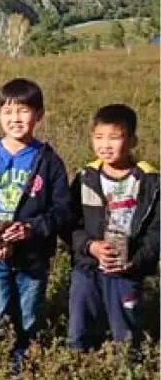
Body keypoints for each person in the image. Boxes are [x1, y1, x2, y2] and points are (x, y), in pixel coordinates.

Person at [0, 78, 71, 377]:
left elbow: (62, 210)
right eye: (8, 112)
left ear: (40, 115)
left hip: (32, 259)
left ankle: (17, 372)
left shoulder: (48, 161)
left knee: (28, 318)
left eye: (23, 111)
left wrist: (32, 229)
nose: (15, 119)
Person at [67, 104, 159, 355]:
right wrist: (90, 246)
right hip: (87, 266)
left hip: (127, 271)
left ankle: (127, 366)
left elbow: (156, 232)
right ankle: (78, 363)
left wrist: (135, 260)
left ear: (132, 141)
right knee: (79, 326)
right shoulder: (86, 177)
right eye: (99, 137)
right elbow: (70, 223)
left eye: (114, 137)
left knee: (126, 331)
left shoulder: (149, 181)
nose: (105, 144)